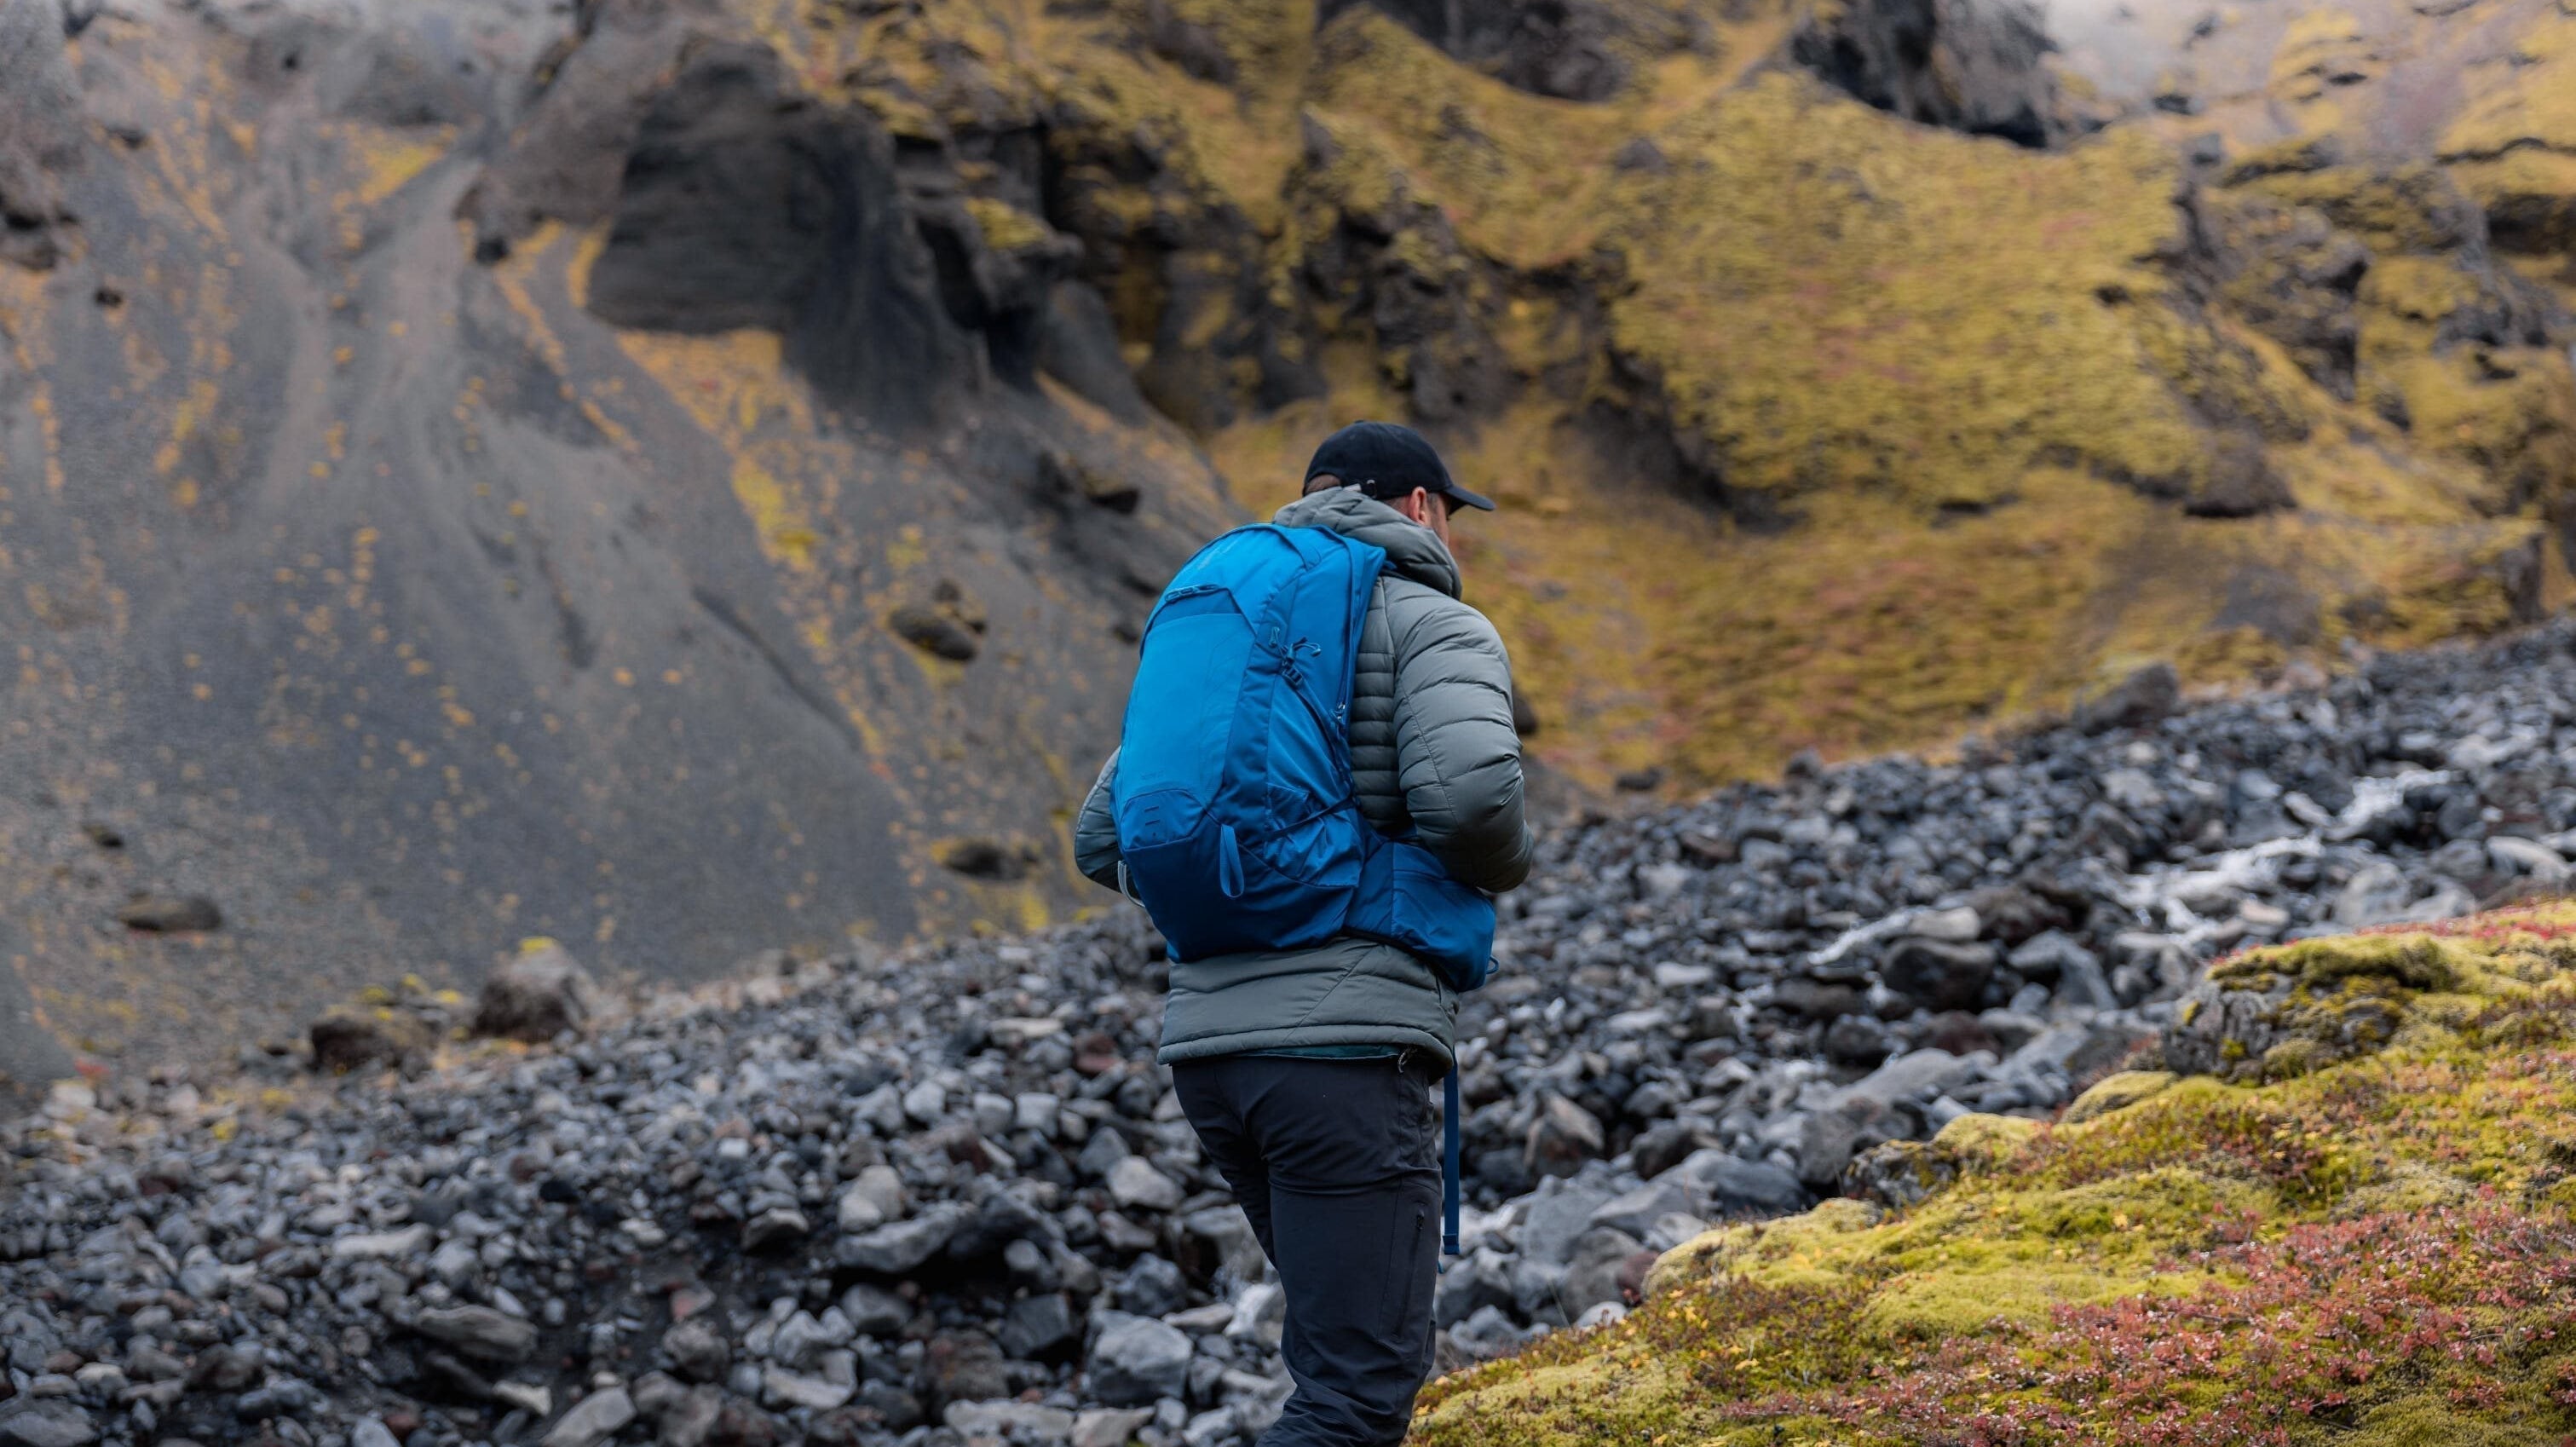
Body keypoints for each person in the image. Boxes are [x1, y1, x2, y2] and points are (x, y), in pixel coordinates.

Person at [1074, 420, 1536, 1446]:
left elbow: (1104, 837)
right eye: (1451, 515)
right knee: (1354, 1396)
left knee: (1339, 1359)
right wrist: (1493, 870)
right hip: (1340, 1057)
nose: (1452, 537)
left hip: (1212, 1061)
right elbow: (1470, 805)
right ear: (1418, 507)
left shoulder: (1243, 623)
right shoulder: (1429, 622)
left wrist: (1248, 890)